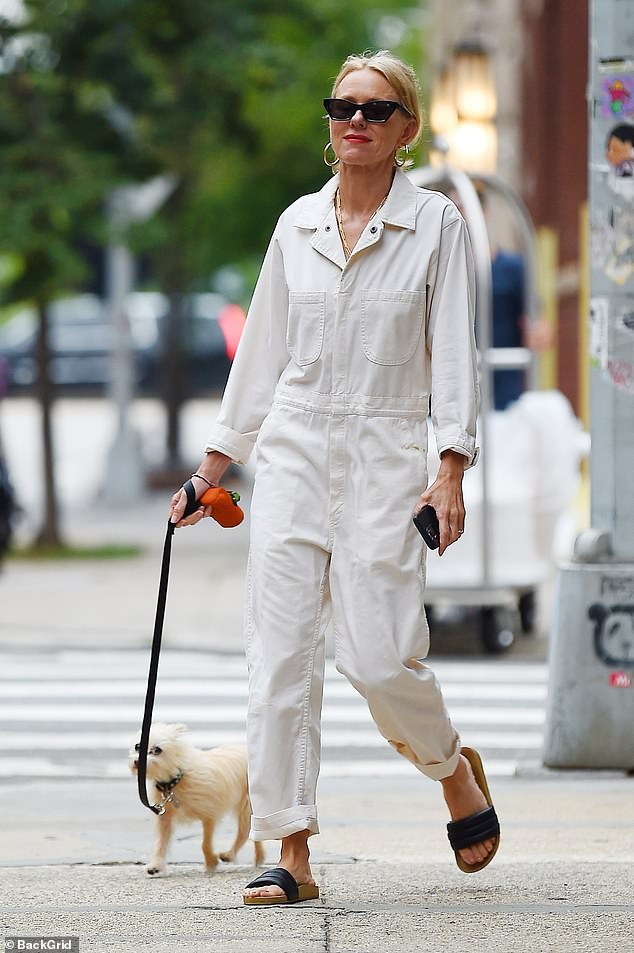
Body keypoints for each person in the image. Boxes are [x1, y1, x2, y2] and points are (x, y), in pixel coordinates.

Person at [170, 50, 499, 906]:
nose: (356, 119)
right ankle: (291, 847)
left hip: (389, 455)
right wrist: (211, 468)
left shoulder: (435, 226)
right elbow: (262, 358)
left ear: (407, 131)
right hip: (293, 453)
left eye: (377, 110)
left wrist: (451, 467)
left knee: (381, 656)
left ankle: (451, 766)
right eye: (343, 105)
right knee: (278, 657)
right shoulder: (296, 226)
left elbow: (457, 354)